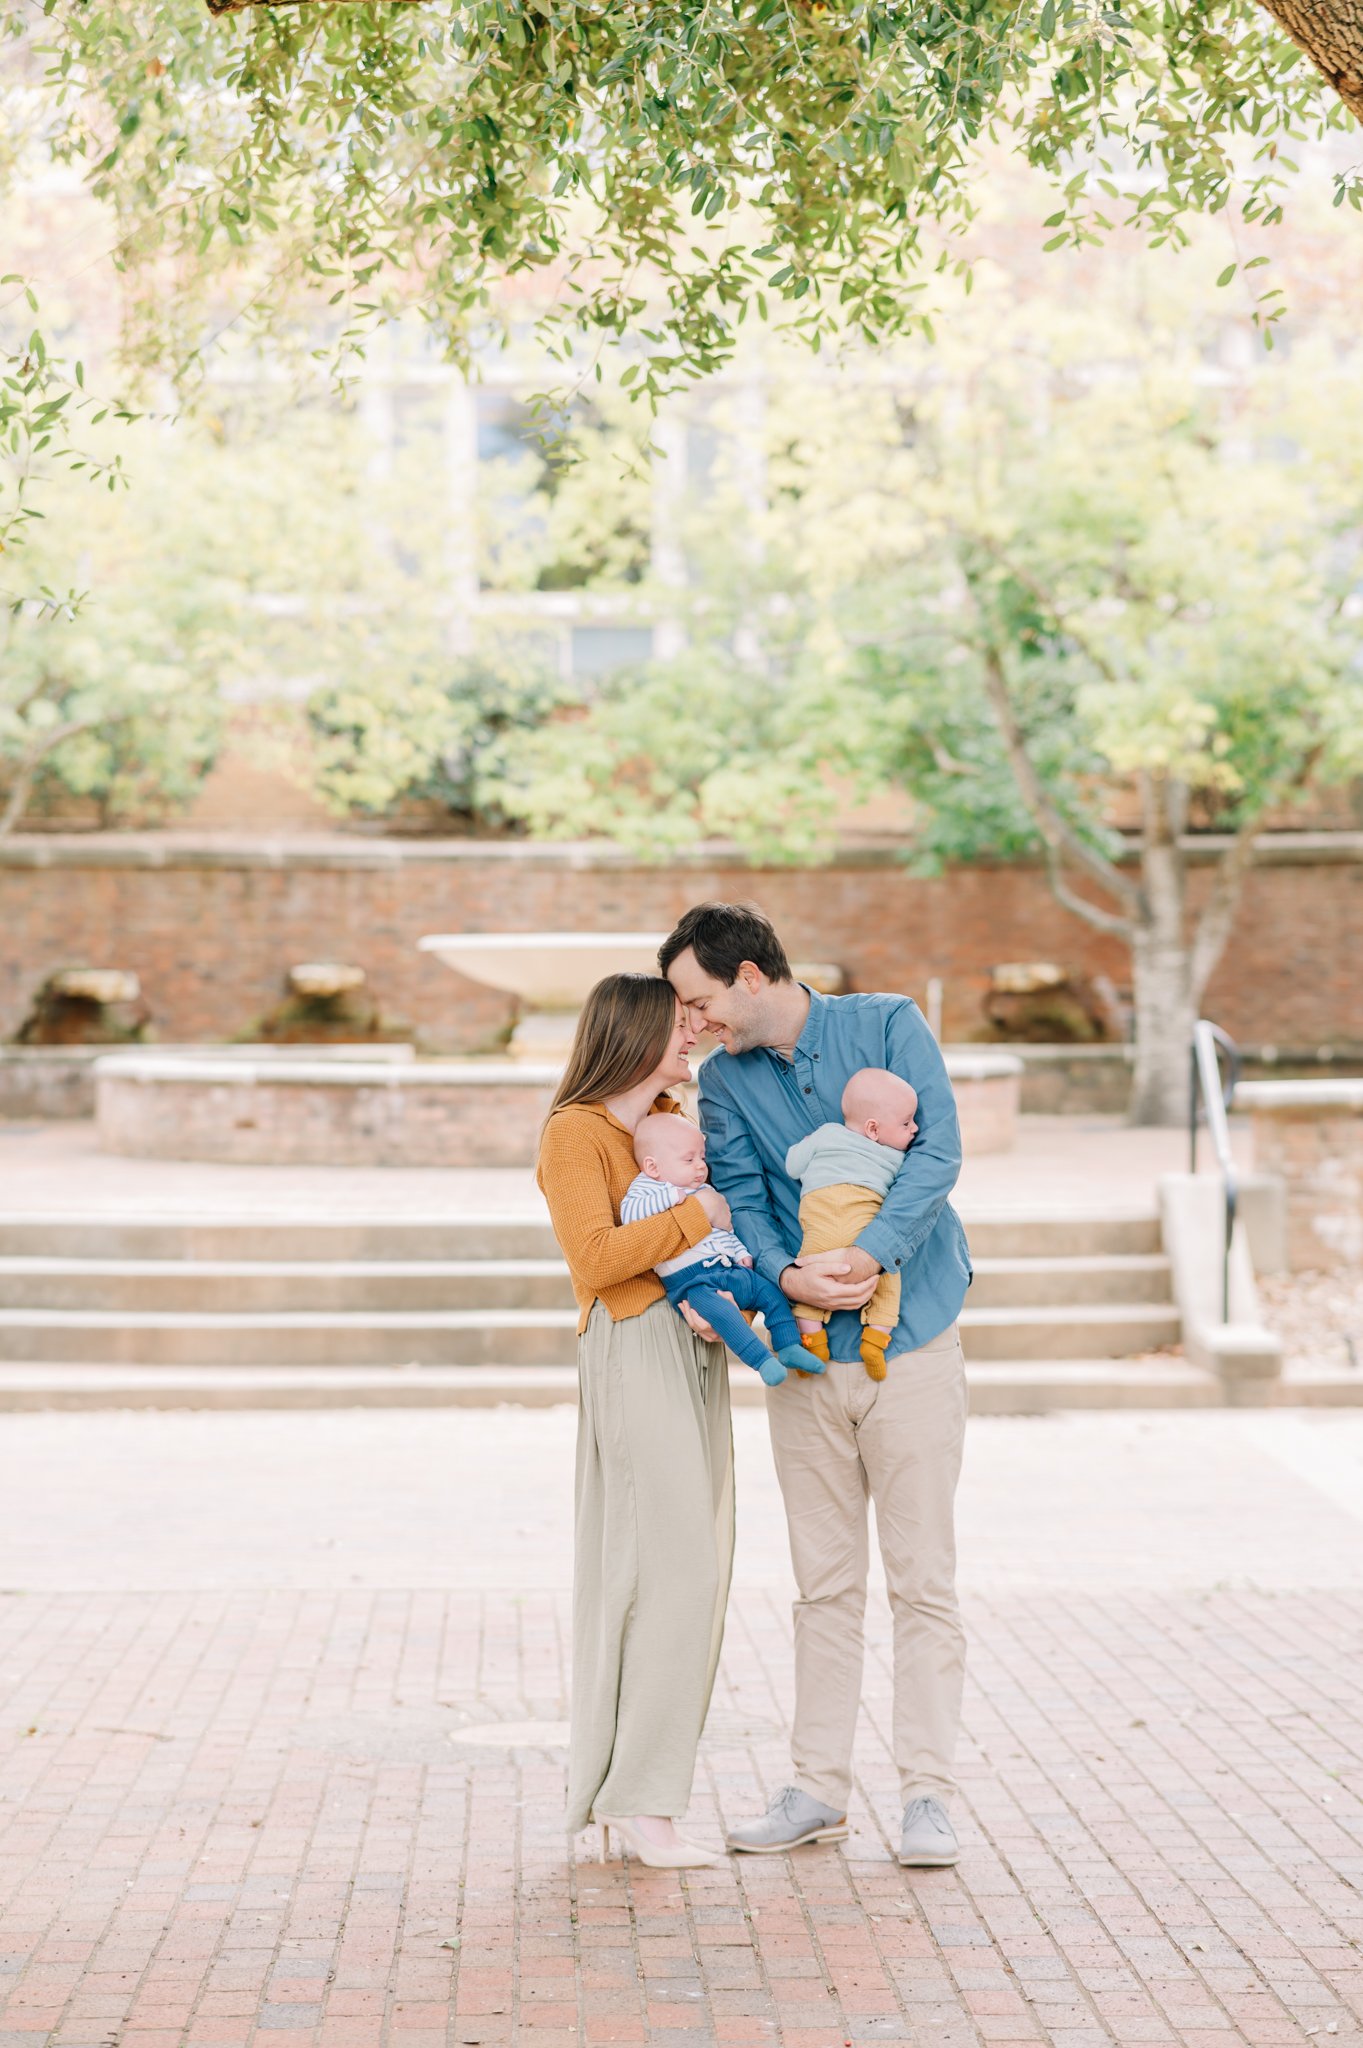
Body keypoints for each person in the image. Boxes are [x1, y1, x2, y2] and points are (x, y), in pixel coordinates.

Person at [661, 903, 973, 1868]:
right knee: (822, 1587)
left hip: (910, 1338)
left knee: (922, 1582)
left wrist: (874, 1254)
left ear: (750, 976)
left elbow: (937, 1153)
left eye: (699, 999)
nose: (693, 1020)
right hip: (801, 1353)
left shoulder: (887, 1024)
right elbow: (746, 1194)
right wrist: (781, 1275)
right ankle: (815, 1791)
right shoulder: (721, 1082)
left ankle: (927, 1797)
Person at [535, 973, 734, 1870]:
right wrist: (699, 1213)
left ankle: (633, 1795)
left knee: (689, 1564)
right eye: (679, 1023)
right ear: (636, 1031)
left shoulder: (658, 1126)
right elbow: (597, 1258)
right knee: (670, 1570)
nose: (692, 1034)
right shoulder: (576, 1133)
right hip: (630, 1343)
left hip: (690, 1346)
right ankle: (640, 1802)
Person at [622, 1111, 824, 1386]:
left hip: (726, 1267)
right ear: (653, 1167)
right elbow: (630, 1215)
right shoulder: (646, 1189)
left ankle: (788, 1345)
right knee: (723, 1314)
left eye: (702, 1158)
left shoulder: (699, 1189)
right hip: (692, 1283)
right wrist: (674, 1198)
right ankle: (762, 1361)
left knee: (771, 1292)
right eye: (689, 1159)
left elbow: (723, 1231)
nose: (701, 1167)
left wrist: (740, 1251)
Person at [785, 1067, 920, 1379]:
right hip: (863, 1224)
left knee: (810, 1278)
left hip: (819, 1219)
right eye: (906, 1122)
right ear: (873, 1129)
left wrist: (805, 1143)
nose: (914, 1128)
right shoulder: (896, 1158)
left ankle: (813, 1341)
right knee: (887, 1278)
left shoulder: (826, 1134)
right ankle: (875, 1340)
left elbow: (793, 1166)